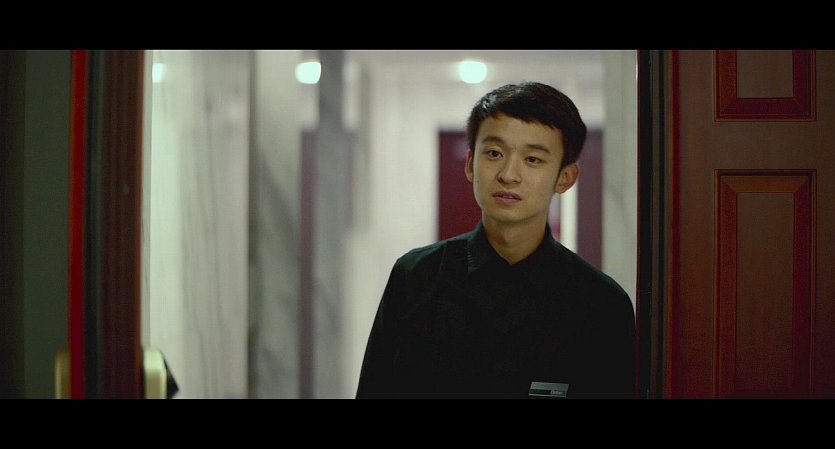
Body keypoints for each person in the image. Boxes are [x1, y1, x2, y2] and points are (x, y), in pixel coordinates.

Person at [356, 82, 635, 399]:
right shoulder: (417, 277)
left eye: (533, 159)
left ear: (565, 177)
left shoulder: (600, 304)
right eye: (494, 153)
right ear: (470, 164)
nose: (508, 174)